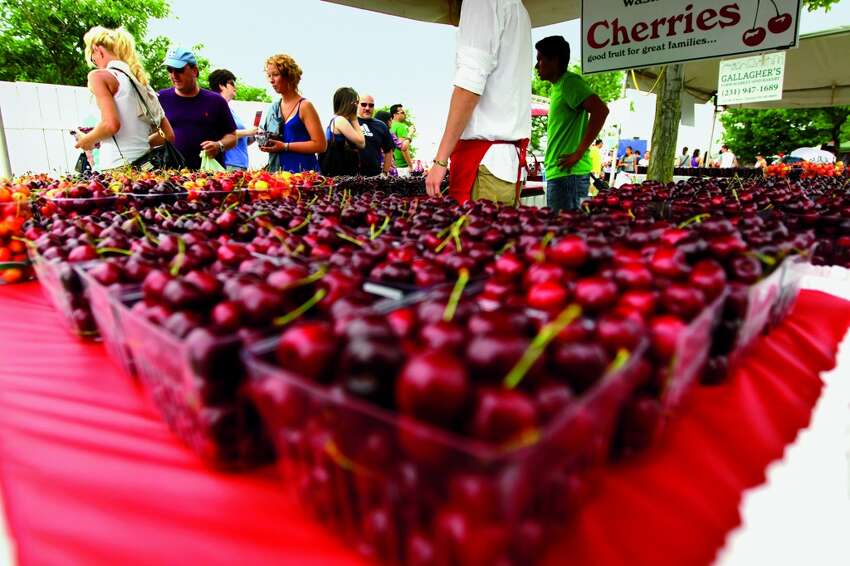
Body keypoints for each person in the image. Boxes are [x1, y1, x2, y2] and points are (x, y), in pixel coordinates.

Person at [425, 0, 532, 205]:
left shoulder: (481, 2)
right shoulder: (518, 8)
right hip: (503, 165)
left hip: (484, 166)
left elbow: (469, 84)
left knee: (474, 234)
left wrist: (440, 160)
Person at [74, 26, 175, 170]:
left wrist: (86, 140)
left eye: (92, 58)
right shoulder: (142, 83)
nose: (95, 62)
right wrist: (138, 144)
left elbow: (111, 125)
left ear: (97, 50)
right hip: (148, 169)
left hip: (118, 169)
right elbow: (168, 134)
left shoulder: (98, 77)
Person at [157, 48, 236, 170]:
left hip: (209, 179)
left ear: (194, 71)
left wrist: (219, 145)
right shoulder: (160, 98)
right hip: (171, 177)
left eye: (179, 70)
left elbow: (232, 137)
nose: (174, 75)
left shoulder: (216, 101)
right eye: (170, 70)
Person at [260, 54, 325, 173]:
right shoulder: (274, 108)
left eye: (275, 75)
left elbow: (320, 145)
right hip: (279, 176)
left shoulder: (304, 106)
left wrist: (285, 146)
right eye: (269, 76)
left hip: (304, 176)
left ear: (289, 76)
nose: (271, 80)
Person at [208, 69, 257, 171]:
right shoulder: (215, 107)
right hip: (228, 163)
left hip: (240, 163)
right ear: (221, 85)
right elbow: (223, 133)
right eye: (232, 83)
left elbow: (240, 140)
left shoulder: (229, 109)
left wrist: (254, 136)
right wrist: (248, 132)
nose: (235, 87)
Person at [322, 87, 366, 176]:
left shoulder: (336, 120)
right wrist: (354, 119)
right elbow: (361, 143)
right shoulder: (340, 120)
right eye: (356, 102)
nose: (357, 106)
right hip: (340, 173)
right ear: (348, 103)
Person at [357, 95, 395, 176]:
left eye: (371, 105)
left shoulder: (381, 125)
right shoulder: (348, 123)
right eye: (363, 104)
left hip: (374, 176)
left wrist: (384, 173)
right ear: (357, 105)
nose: (367, 108)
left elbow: (389, 150)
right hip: (352, 176)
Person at [389, 104, 415, 176]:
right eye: (402, 112)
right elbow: (404, 148)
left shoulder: (390, 127)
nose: (405, 114)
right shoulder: (401, 126)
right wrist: (410, 165)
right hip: (403, 167)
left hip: (393, 167)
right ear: (395, 114)